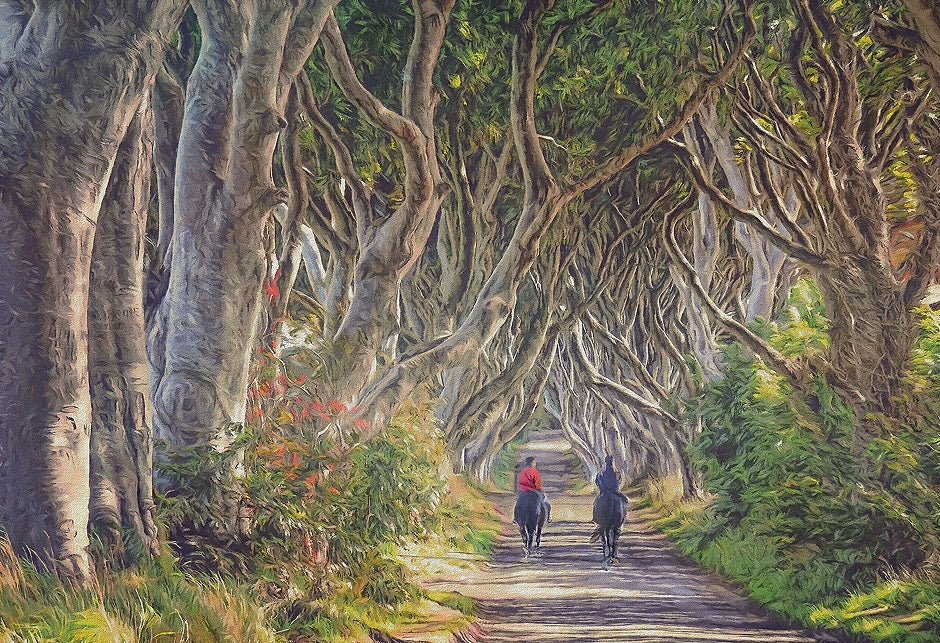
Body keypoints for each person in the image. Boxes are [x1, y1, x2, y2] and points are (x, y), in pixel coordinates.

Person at [517, 456, 551, 522]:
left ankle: (516, 518)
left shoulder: (523, 471)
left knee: (518, 504)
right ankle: (548, 515)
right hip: (534, 491)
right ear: (532, 462)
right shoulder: (534, 471)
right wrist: (540, 490)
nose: (535, 464)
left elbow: (520, 482)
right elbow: (537, 484)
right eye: (535, 462)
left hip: (523, 491)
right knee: (546, 503)